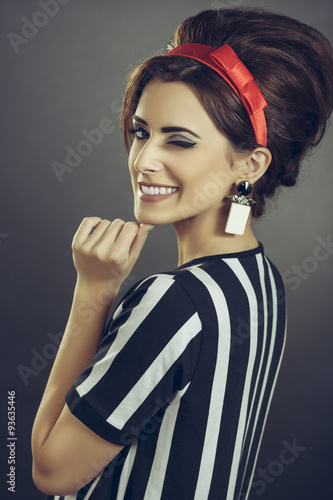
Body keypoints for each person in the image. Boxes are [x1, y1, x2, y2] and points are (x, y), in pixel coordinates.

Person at [31, 7, 333, 500]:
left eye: (181, 141)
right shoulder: (262, 278)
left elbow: (47, 470)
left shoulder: (173, 303)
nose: (143, 159)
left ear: (250, 164)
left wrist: (94, 290)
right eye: (143, 130)